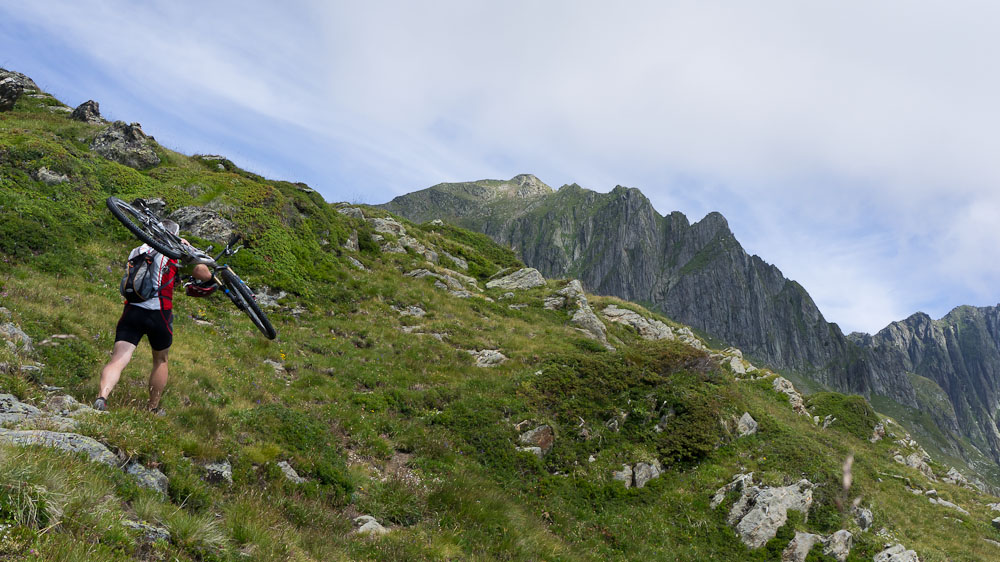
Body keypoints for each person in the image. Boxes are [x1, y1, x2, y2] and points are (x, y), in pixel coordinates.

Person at [94, 220, 215, 413]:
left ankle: (102, 397)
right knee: (160, 360)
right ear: (173, 235)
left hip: (132, 311)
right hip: (159, 313)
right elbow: (205, 274)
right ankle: (152, 407)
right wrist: (188, 249)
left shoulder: (137, 251)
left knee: (118, 359)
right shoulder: (172, 253)